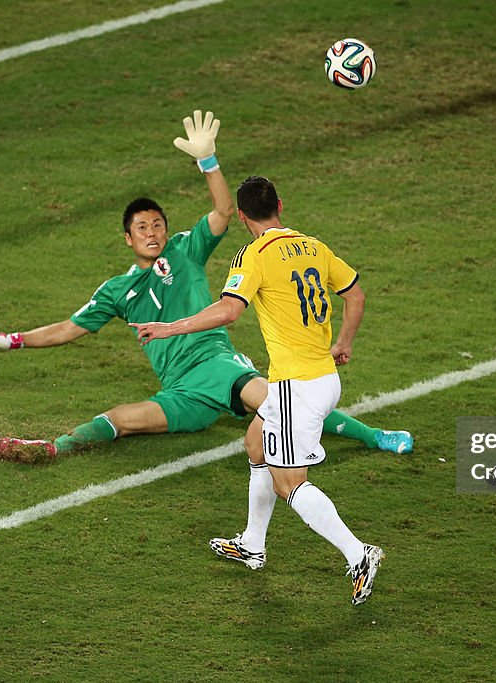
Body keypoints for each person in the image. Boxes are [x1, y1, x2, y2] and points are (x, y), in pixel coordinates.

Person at [0, 111, 412, 464]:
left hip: (216, 364)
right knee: (120, 419)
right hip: (180, 389)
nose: (153, 232)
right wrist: (12, 341)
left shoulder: (185, 251)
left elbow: (221, 209)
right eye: (142, 227)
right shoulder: (117, 290)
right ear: (128, 238)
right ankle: (53, 447)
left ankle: (376, 436)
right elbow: (68, 328)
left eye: (158, 224)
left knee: (279, 405)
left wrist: (207, 160)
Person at [131, 175, 383, 605]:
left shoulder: (254, 255)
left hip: (294, 387)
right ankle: (253, 543)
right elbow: (355, 295)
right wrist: (343, 343)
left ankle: (358, 553)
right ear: (280, 205)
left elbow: (230, 311)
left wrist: (171, 327)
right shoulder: (314, 246)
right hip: (324, 377)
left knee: (289, 484)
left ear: (243, 215)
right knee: (254, 443)